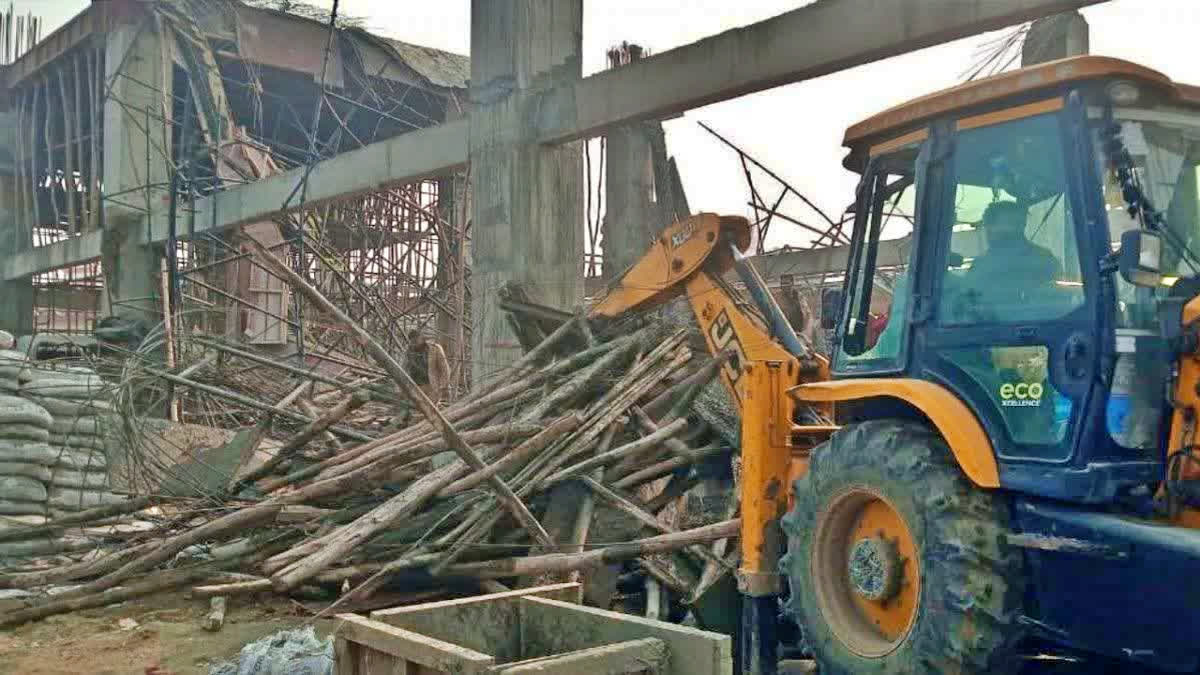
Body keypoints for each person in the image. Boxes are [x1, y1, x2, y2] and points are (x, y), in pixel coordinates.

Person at [963, 200, 1061, 302]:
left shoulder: (1044, 259)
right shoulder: (1045, 258)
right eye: (1011, 224)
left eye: (1018, 224)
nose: (1016, 229)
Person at [406, 329, 451, 405]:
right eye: (412, 341)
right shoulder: (409, 351)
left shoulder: (435, 349)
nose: (414, 343)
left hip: (432, 385)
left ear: (421, 338)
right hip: (415, 386)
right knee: (418, 408)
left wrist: (443, 386)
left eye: (416, 339)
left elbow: (444, 369)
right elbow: (405, 368)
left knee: (431, 408)